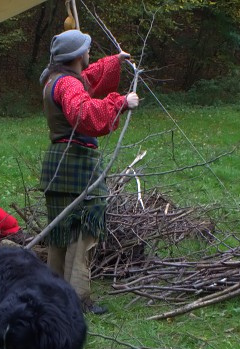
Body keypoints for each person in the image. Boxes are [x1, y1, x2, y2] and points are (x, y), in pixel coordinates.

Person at [39, 29, 139, 315]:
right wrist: (120, 102)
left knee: (61, 232)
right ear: (76, 55)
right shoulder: (68, 85)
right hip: (77, 160)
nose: (89, 54)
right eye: (86, 49)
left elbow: (88, 79)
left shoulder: (54, 79)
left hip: (59, 162)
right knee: (84, 232)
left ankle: (54, 295)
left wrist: (114, 61)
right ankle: (77, 298)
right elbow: (83, 112)